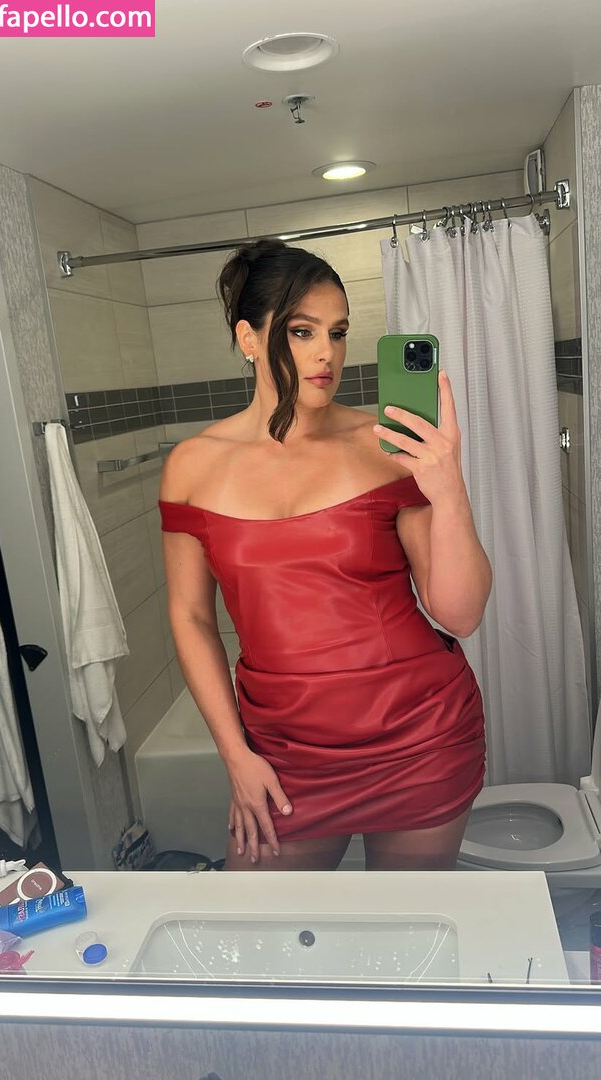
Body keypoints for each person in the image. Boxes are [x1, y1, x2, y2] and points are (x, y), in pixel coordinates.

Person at [159, 238, 492, 872]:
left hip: (419, 739)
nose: (326, 353)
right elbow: (191, 617)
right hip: (285, 754)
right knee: (258, 929)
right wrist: (235, 754)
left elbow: (460, 613)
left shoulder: (383, 445)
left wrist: (448, 486)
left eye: (338, 333)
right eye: (301, 331)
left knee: (409, 931)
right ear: (248, 339)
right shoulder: (192, 466)